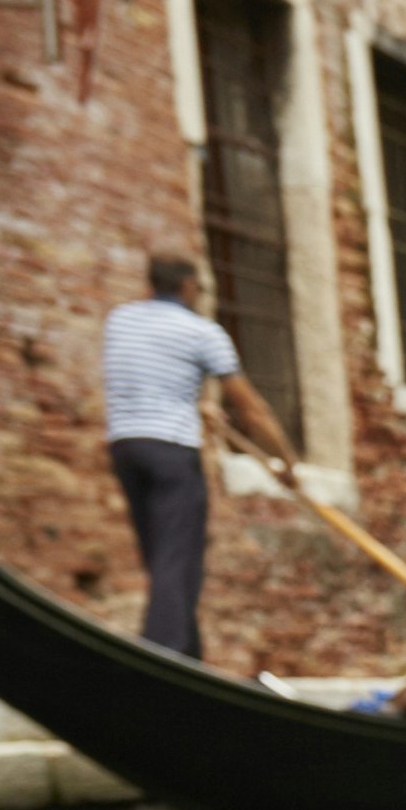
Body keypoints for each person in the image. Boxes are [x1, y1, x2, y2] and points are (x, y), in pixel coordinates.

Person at [102, 252, 296, 665]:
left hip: (126, 447)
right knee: (178, 559)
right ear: (188, 286)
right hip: (172, 451)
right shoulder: (201, 332)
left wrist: (197, 405)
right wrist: (286, 462)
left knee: (161, 557)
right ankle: (162, 659)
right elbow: (251, 409)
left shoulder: (120, 321)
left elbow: (150, 381)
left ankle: (189, 658)